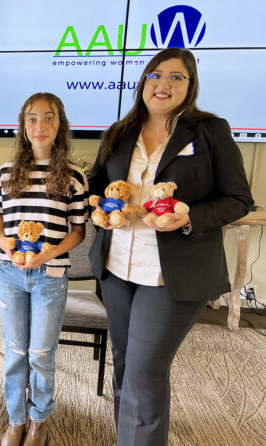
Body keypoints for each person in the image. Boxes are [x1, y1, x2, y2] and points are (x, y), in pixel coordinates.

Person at [87, 48, 254, 446]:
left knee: (145, 373)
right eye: (155, 75)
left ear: (191, 85)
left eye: (176, 77)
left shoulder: (210, 131)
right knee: (126, 367)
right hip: (116, 270)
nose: (163, 85)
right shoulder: (119, 132)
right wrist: (102, 205)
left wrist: (189, 215)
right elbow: (97, 184)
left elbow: (238, 199)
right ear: (143, 82)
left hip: (171, 274)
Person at [0, 92, 88, 446]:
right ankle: (16, 419)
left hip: (51, 276)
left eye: (48, 117)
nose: (39, 125)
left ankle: (39, 419)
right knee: (15, 352)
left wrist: (46, 255)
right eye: (32, 118)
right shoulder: (3, 174)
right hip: (11, 272)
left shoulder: (74, 177)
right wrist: (10, 250)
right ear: (22, 125)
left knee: (41, 354)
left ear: (60, 125)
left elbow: (78, 232)